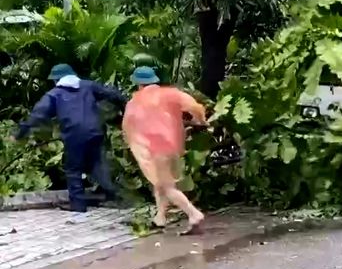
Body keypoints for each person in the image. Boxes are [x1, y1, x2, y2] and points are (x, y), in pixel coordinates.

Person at [11, 64, 126, 212]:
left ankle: (78, 205)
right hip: (95, 131)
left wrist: (19, 133)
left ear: (57, 79)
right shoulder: (88, 86)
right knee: (97, 164)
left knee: (73, 169)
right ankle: (114, 197)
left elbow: (38, 115)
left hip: (75, 134)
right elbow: (112, 94)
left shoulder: (54, 94)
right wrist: (126, 105)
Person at [122, 66, 207, 232]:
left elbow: (127, 125)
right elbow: (195, 107)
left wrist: (135, 145)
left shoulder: (135, 102)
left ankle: (194, 213)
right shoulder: (170, 94)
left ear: (138, 84)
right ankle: (160, 218)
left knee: (167, 186)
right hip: (173, 145)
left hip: (154, 148)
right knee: (160, 183)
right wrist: (201, 121)